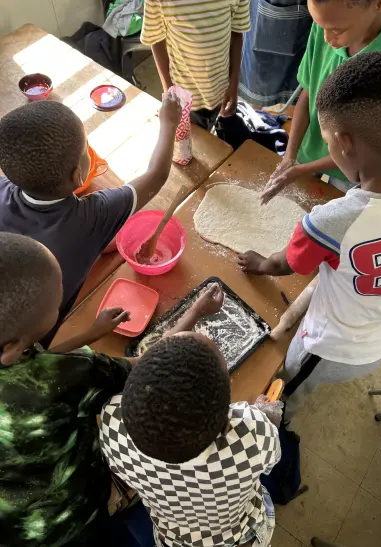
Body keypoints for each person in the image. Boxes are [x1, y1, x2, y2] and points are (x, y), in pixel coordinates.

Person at [238, 51, 381, 421]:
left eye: (328, 140)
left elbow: (287, 263)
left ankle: (276, 421)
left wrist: (260, 263)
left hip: (335, 346)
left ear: (344, 144)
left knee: (288, 383)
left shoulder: (333, 221)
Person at [99, 283, 283, 547]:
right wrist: (267, 415)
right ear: (226, 415)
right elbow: (271, 459)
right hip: (239, 538)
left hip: (172, 540)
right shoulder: (249, 430)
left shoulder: (112, 423)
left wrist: (195, 312)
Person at [0, 94, 181, 346]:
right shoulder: (92, 217)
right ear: (79, 175)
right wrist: (169, 123)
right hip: (35, 350)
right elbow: (157, 175)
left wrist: (98, 244)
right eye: (86, 149)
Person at [0, 232, 141, 546]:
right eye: (55, 306)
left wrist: (90, 333)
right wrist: (188, 332)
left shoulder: (29, 369)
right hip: (67, 521)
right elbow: (135, 369)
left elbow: (31, 365)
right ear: (11, 347)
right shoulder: (63, 378)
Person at [261, 0, 381, 200]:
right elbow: (308, 90)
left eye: (338, 30)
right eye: (321, 26)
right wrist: (291, 156)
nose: (327, 39)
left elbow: (373, 147)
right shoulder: (329, 19)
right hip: (310, 151)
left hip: (352, 174)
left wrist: (302, 169)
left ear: (379, 3)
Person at [141, 0, 251, 132]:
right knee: (191, 143)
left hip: (221, 90)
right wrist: (169, 91)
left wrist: (234, 83)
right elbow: (156, 39)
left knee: (214, 138)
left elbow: (237, 33)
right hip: (184, 97)